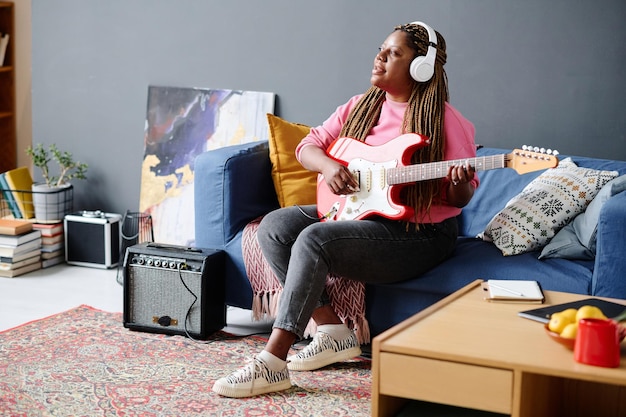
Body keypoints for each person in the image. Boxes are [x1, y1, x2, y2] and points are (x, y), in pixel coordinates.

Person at [212, 21, 479, 398]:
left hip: (419, 235)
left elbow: (459, 199)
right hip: (363, 213)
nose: (380, 57)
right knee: (275, 227)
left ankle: (272, 362)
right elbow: (309, 145)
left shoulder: (447, 122)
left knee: (315, 240)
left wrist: (457, 182)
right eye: (381, 49)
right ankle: (333, 330)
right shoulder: (359, 107)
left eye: (394, 54)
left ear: (420, 67)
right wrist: (329, 167)